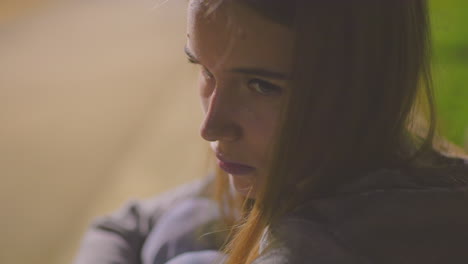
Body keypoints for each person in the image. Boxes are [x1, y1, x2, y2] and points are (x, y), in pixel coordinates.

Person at [73, 0, 468, 263]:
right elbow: (126, 222)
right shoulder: (344, 161)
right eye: (206, 71)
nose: (210, 127)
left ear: (364, 85)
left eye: (262, 85)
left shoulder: (312, 249)